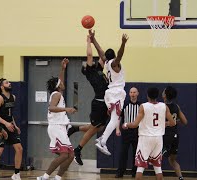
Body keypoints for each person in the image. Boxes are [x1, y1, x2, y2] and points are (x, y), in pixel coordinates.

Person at [122, 87, 176, 180]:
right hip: (158, 139)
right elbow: (172, 123)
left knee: (140, 167)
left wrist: (126, 124)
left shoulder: (143, 106)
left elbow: (135, 125)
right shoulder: (164, 106)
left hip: (145, 138)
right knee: (157, 167)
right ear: (157, 96)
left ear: (147, 96)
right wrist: (162, 124)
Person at [90, 29, 129, 155]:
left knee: (114, 118)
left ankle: (103, 139)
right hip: (116, 92)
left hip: (110, 93)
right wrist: (123, 43)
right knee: (115, 118)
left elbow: (100, 51)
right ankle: (103, 140)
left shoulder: (106, 62)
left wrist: (93, 39)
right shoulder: (113, 63)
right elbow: (120, 56)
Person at [37, 58, 76, 180]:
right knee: (65, 155)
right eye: (61, 82)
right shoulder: (57, 94)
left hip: (60, 127)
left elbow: (60, 79)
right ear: (58, 86)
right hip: (56, 127)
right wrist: (66, 109)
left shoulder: (57, 93)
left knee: (71, 155)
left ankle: (58, 177)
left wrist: (63, 68)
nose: (63, 83)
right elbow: (51, 108)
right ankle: (45, 176)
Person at [73, 35, 109, 166]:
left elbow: (103, 56)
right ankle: (78, 150)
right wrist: (88, 42)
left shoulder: (98, 70)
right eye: (87, 62)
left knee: (101, 127)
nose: (89, 61)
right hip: (99, 103)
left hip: (105, 103)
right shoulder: (90, 72)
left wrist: (94, 41)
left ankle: (74, 128)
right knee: (94, 128)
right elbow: (89, 55)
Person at [0, 78, 23, 180]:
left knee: (19, 149)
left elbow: (10, 114)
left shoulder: (13, 97)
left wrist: (15, 125)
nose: (9, 83)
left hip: (10, 126)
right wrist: (5, 123)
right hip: (1, 127)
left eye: (9, 82)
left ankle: (16, 174)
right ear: (2, 87)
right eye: (7, 83)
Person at [162, 86, 188, 180]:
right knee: (172, 160)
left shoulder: (161, 106)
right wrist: (174, 122)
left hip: (165, 137)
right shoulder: (176, 106)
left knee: (154, 159)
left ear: (165, 95)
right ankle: (180, 177)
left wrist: (167, 123)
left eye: (164, 91)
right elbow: (185, 121)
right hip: (175, 137)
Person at [115, 87, 141, 178]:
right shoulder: (124, 104)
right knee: (123, 152)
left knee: (136, 153)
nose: (133, 94)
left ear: (137, 93)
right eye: (131, 92)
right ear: (129, 94)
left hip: (137, 132)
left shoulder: (141, 105)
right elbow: (119, 117)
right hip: (126, 132)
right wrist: (117, 129)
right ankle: (120, 172)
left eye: (134, 92)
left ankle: (134, 173)